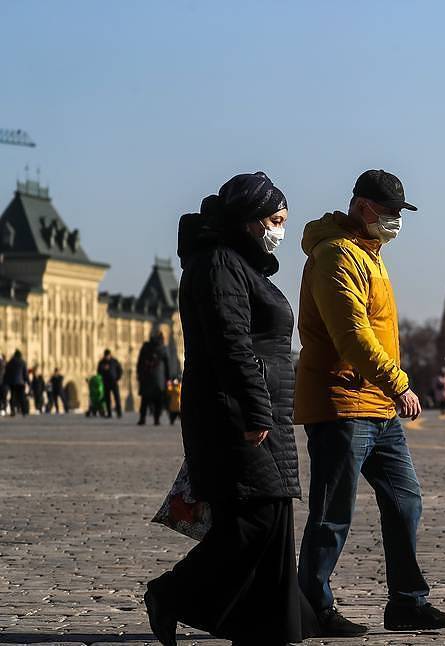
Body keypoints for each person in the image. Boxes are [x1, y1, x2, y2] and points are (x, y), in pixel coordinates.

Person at [145, 172, 315, 645]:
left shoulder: (240, 263)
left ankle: (268, 624)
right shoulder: (219, 264)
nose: (280, 230)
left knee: (272, 513)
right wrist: (256, 409)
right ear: (250, 220)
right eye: (276, 220)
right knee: (253, 519)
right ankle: (172, 593)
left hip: (261, 410)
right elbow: (231, 344)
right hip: (234, 414)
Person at [293, 169, 445, 635]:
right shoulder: (336, 256)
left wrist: (388, 391)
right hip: (344, 402)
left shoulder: (370, 253)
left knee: (405, 501)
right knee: (332, 513)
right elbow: (353, 335)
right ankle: (312, 607)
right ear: (363, 207)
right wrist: (398, 382)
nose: (394, 222)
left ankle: (407, 602)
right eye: (388, 212)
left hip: (377, 407)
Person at [137, 332, 170, 425]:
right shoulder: (162, 348)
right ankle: (156, 419)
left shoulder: (145, 347)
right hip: (159, 379)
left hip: (146, 377)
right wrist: (167, 378)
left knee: (145, 400)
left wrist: (139, 375)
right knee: (158, 400)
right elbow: (167, 365)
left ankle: (142, 418)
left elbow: (139, 362)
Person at [97, 349, 124, 419]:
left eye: (108, 356)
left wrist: (117, 378)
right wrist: (103, 369)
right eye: (106, 356)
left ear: (110, 355)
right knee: (107, 399)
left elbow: (120, 370)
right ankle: (109, 413)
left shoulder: (114, 361)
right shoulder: (102, 362)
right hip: (106, 382)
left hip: (114, 382)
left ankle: (119, 413)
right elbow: (98, 371)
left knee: (117, 398)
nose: (107, 357)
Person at [2, 350, 29, 417]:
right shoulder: (22, 362)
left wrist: (5, 382)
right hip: (20, 382)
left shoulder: (10, 362)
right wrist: (28, 381)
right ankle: (24, 411)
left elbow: (6, 373)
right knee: (22, 397)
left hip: (12, 382)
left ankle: (12, 411)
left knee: (12, 397)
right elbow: (25, 373)